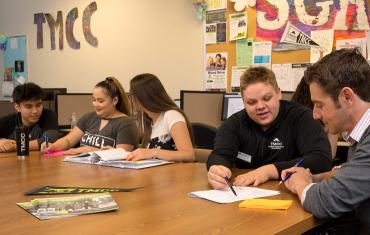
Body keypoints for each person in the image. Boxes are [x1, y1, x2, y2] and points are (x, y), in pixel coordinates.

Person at [282, 48, 370, 234]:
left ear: (347, 97)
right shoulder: (361, 136)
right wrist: (313, 177)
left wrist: (300, 183)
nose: (315, 115)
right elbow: (356, 172)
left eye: (319, 105)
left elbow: (325, 202)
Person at [207, 66, 332, 189]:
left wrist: (269, 171)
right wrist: (217, 169)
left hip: (288, 193)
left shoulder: (301, 117)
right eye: (251, 102)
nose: (260, 106)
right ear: (243, 101)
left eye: (267, 98)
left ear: (278, 93)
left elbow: (321, 160)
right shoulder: (234, 123)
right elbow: (220, 155)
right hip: (243, 193)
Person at [42, 77, 138, 155]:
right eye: (94, 100)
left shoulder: (126, 123)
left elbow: (121, 155)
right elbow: (68, 140)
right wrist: (53, 146)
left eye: (100, 101)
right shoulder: (89, 117)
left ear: (115, 101)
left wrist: (81, 150)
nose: (95, 104)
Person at [126, 73, 195, 162]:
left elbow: (189, 155)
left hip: (176, 174)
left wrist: (152, 152)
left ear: (143, 97)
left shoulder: (171, 115)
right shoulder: (148, 120)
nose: (131, 100)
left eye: (132, 96)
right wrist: (119, 153)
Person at [0, 83, 59, 152]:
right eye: (29, 107)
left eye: (38, 105)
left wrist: (15, 146)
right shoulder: (9, 121)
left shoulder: (48, 115)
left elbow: (49, 140)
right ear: (17, 107)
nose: (35, 111)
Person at [292, 78, 338, 158]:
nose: (315, 115)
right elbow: (331, 154)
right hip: (316, 166)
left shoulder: (292, 111)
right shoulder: (328, 117)